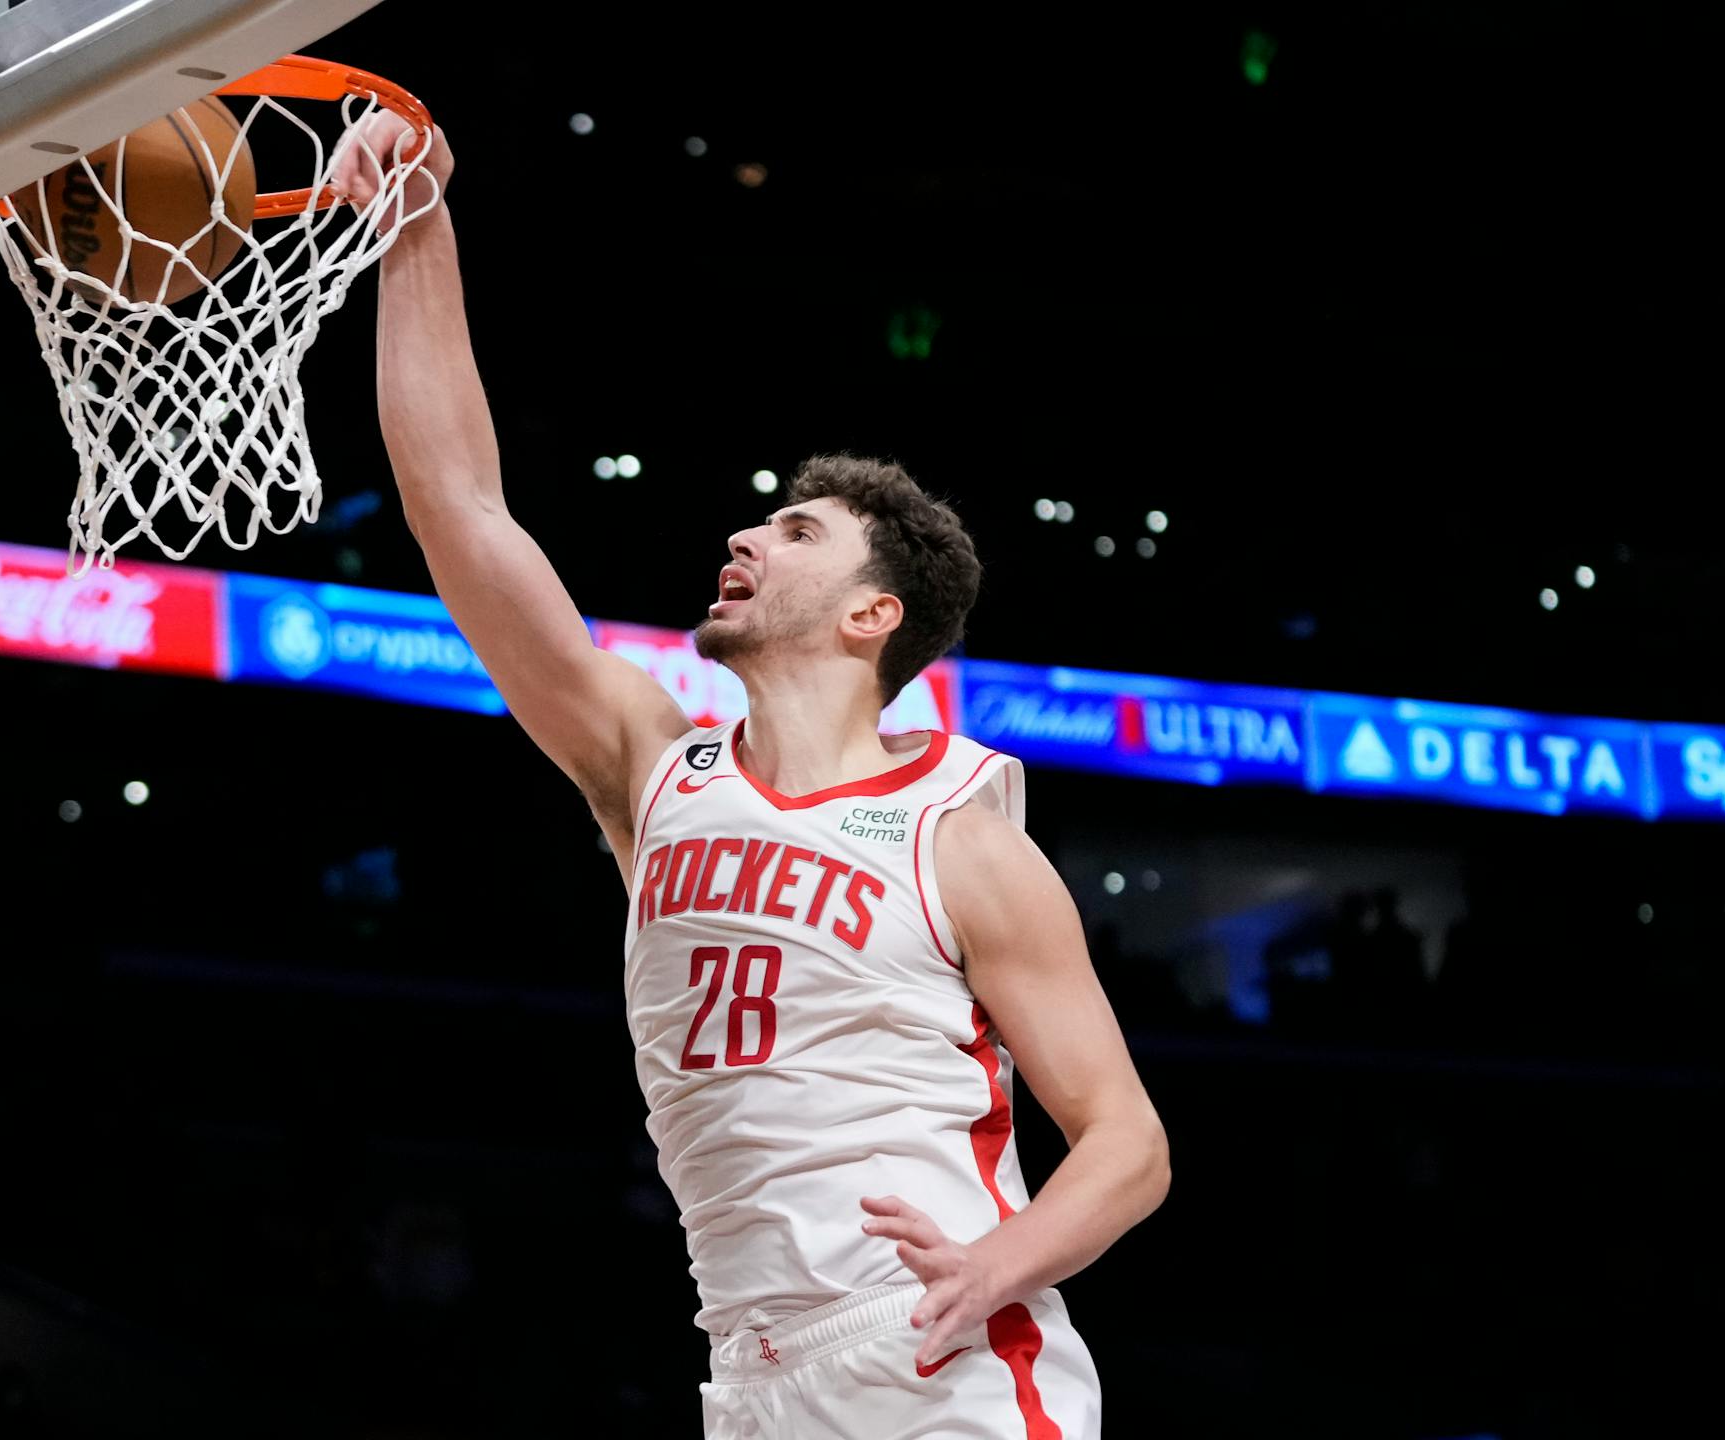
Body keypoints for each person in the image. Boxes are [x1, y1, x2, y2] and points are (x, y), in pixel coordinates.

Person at [349, 114, 1169, 1439]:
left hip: (936, 1355)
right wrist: (417, 223)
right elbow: (461, 509)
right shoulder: (647, 763)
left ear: (870, 616)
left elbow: (1129, 1144)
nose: (744, 533)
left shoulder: (959, 832)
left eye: (795, 532)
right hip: (752, 1370)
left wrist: (996, 1266)